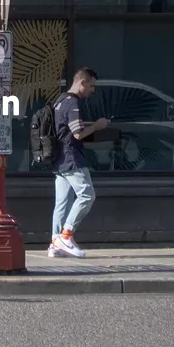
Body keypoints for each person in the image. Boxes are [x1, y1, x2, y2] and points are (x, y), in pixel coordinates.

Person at [48, 66, 109, 258]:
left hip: (59, 159)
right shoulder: (73, 103)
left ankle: (55, 243)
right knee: (87, 195)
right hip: (72, 157)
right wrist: (97, 126)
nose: (92, 90)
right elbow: (77, 134)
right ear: (82, 82)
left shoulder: (60, 101)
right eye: (91, 86)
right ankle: (66, 236)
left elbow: (67, 129)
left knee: (62, 203)